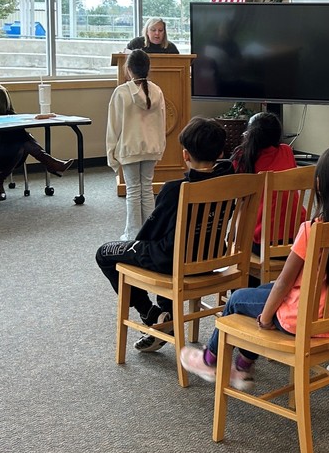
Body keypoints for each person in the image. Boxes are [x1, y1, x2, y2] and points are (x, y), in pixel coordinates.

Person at [180, 146, 329, 390]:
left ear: (319, 185)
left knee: (237, 299)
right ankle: (242, 366)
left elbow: (284, 283)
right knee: (263, 290)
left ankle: (210, 360)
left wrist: (266, 319)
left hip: (300, 318)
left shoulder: (313, 230)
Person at [94, 117, 232, 351]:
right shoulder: (234, 182)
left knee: (105, 253)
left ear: (185, 155)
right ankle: (165, 314)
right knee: (171, 243)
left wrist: (136, 249)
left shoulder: (174, 190)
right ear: (220, 153)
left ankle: (150, 314)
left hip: (172, 260)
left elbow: (148, 234)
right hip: (211, 258)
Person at [0, 54, 74, 201]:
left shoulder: (1, 91)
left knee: (20, 140)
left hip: (6, 133)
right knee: (21, 139)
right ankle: (50, 163)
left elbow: (11, 114)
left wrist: (30, 118)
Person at [106, 49, 167, 240]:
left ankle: (133, 234)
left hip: (130, 148)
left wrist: (111, 152)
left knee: (133, 190)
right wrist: (160, 146)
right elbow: (162, 122)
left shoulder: (121, 92)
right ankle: (149, 233)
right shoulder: (157, 90)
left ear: (129, 69)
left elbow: (113, 126)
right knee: (147, 189)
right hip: (151, 148)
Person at [230, 111, 298, 256]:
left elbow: (241, 205)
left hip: (263, 242)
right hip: (297, 238)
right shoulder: (287, 151)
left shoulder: (242, 157)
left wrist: (235, 239)